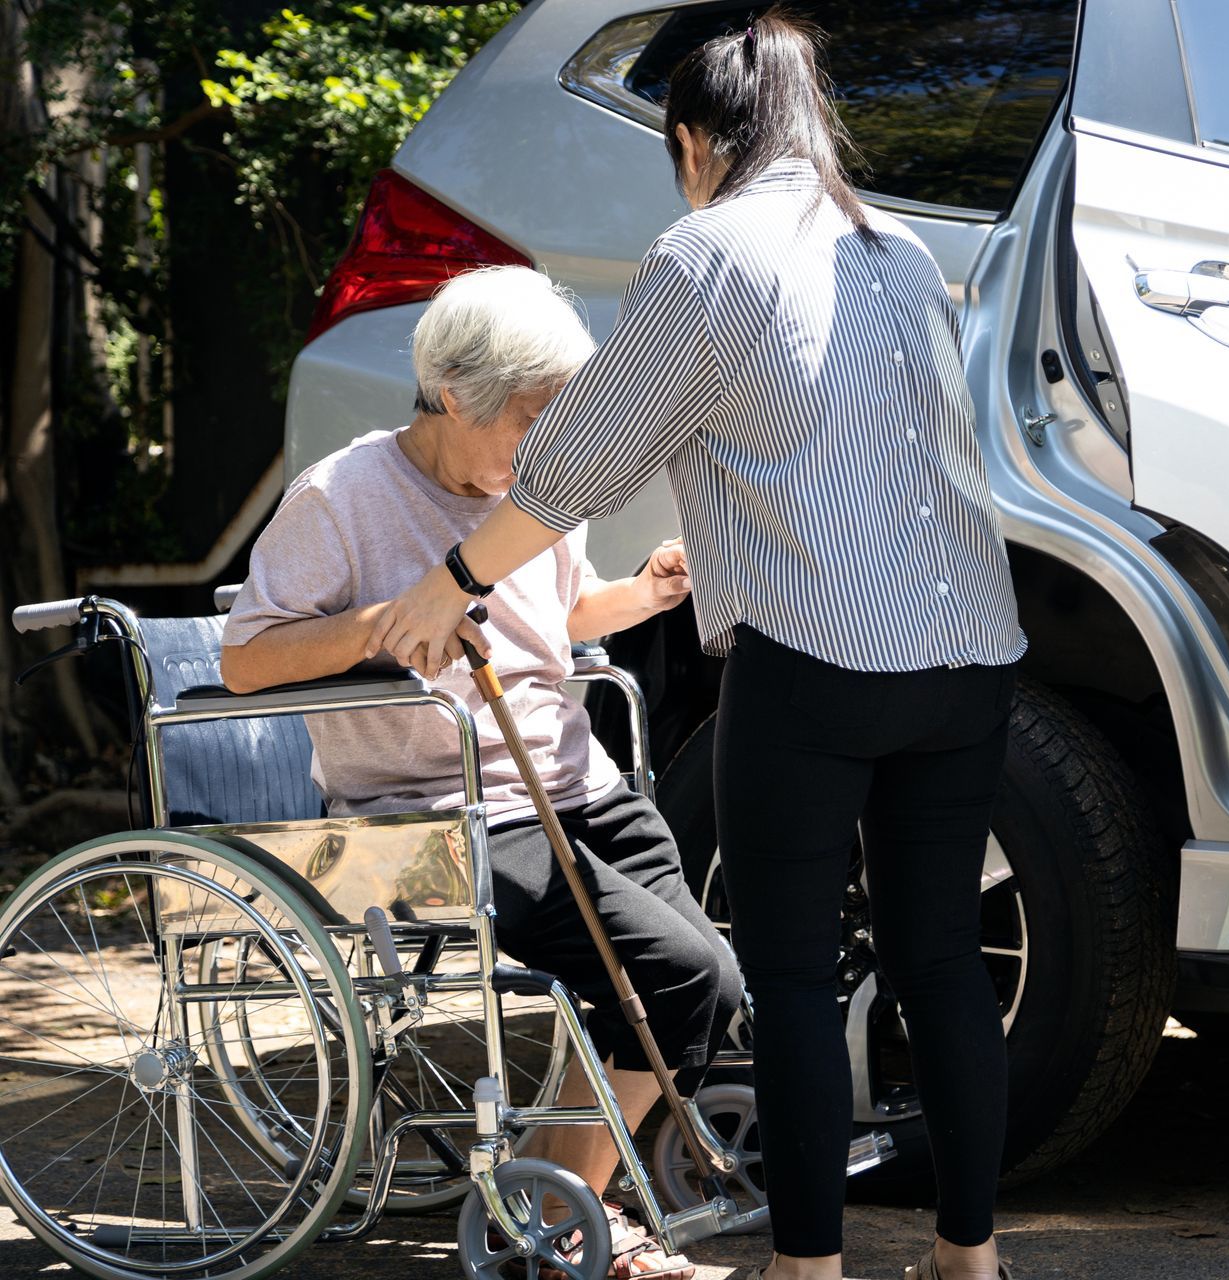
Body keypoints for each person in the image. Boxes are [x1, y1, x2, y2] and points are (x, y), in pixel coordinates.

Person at [365, 13, 1025, 1280]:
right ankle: (968, 1259)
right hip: (968, 652)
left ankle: (810, 1269)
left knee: (785, 978)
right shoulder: (897, 250)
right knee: (938, 959)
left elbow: (576, 460)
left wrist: (455, 578)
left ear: (692, 142)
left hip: (818, 657)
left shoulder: (705, 252)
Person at [221, 265, 742, 1280]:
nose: (542, 448)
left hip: (575, 786)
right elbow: (247, 657)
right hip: (433, 818)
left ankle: (557, 1194)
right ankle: (566, 1210)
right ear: (455, 396)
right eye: (529, 420)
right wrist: (383, 623)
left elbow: (548, 622)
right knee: (678, 973)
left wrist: (638, 594)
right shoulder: (340, 496)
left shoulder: (532, 489)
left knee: (708, 982)